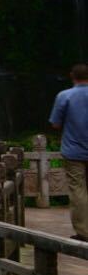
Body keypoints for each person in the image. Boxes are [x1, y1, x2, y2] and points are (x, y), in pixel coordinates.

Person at [49, 63, 88, 241]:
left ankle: (83, 232)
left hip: (74, 151)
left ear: (72, 76)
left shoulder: (65, 96)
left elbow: (55, 124)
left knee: (78, 190)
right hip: (76, 150)